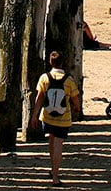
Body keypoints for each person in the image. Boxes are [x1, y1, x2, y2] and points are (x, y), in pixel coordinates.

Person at [29, 51, 81, 186]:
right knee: (58, 145)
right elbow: (75, 99)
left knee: (51, 143)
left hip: (47, 117)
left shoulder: (44, 78)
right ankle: (55, 176)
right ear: (62, 63)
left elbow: (39, 98)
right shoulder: (69, 80)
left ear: (50, 63)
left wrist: (34, 116)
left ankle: (53, 170)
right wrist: (77, 108)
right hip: (63, 119)